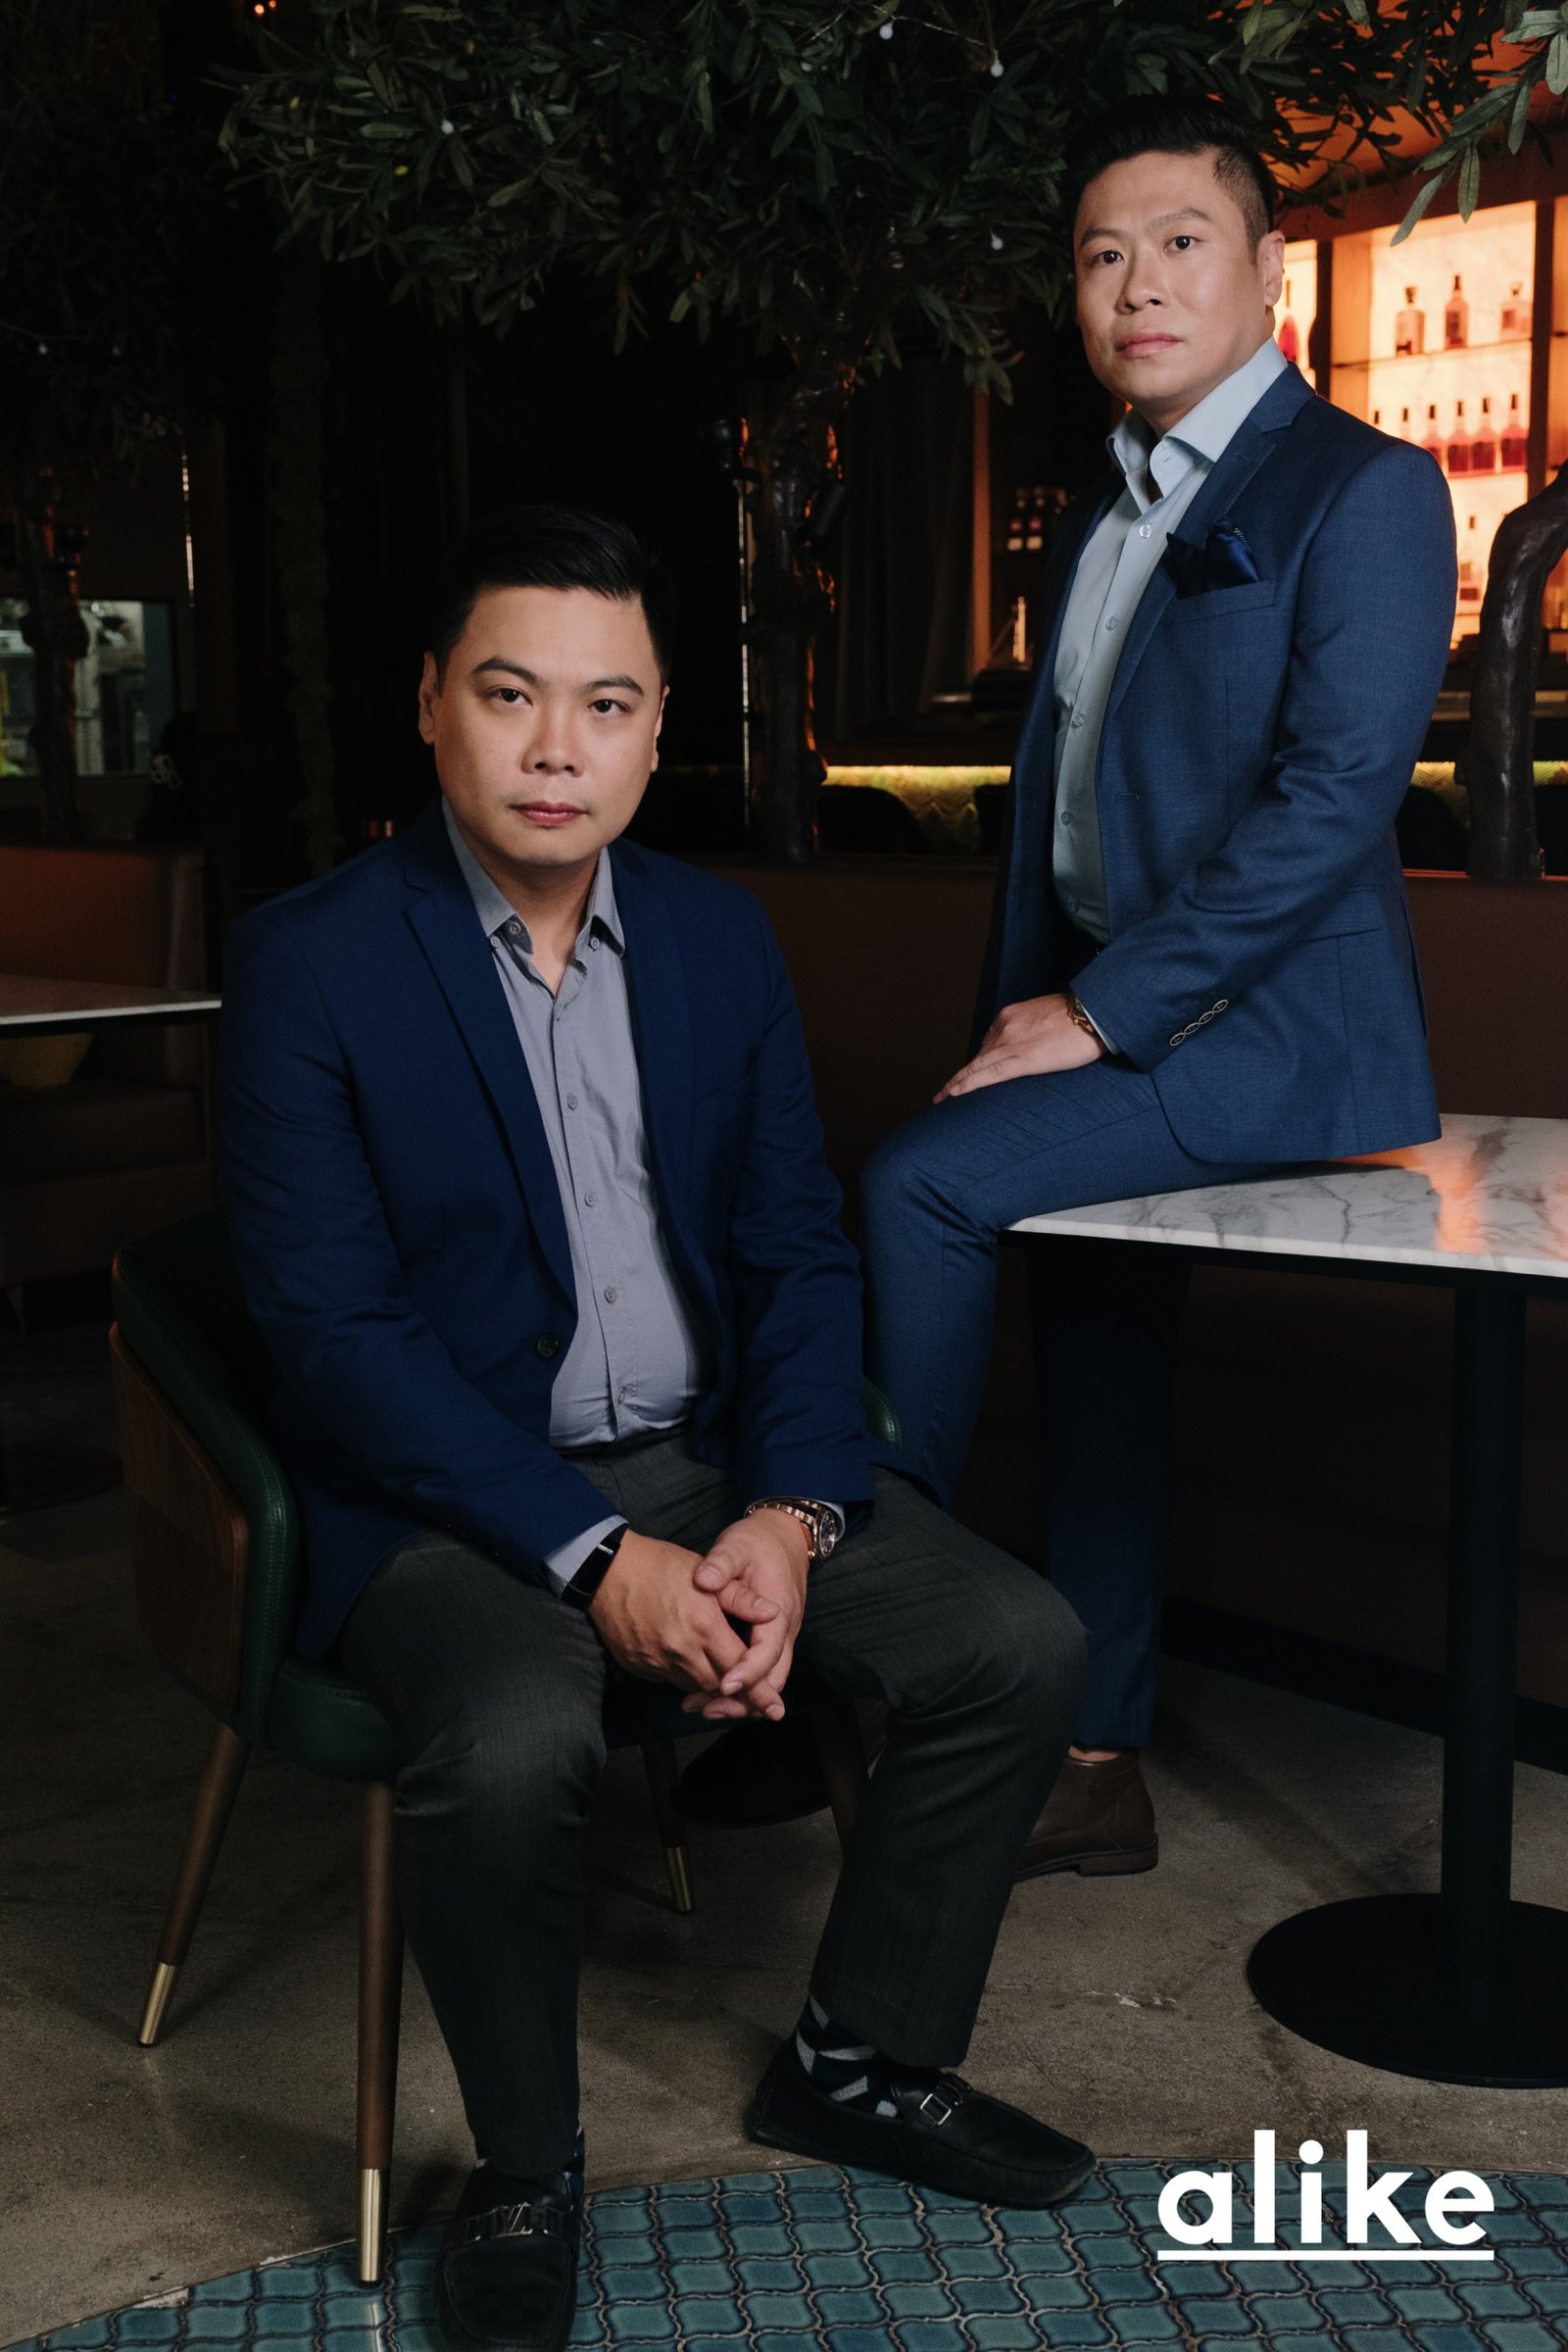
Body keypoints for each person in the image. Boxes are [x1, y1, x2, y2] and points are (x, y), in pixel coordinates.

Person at [218, 505, 1091, 2352]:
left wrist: (787, 1513)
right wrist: (594, 1554)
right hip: (447, 1495)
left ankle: (859, 2062)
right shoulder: (313, 959)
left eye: (604, 706)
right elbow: (335, 1335)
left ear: (658, 724)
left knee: (1017, 1642)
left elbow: (791, 1247)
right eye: (510, 695)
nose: (558, 748)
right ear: (432, 705)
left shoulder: (712, 937)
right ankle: (528, 2167)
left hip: (705, 1455)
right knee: (519, 1730)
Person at [858, 96, 1456, 1882]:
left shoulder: (1365, 488)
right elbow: (1070, 805)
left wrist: (1097, 1019)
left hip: (1278, 1045)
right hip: (1104, 1017)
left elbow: (1336, 801)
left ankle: (869, 1657)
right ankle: (1094, 1759)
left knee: (918, 1188)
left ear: (1270, 272)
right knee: (1100, 1348)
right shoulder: (1097, 517)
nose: (1136, 285)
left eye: (1181, 243)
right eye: (1101, 256)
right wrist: (1022, 1009)